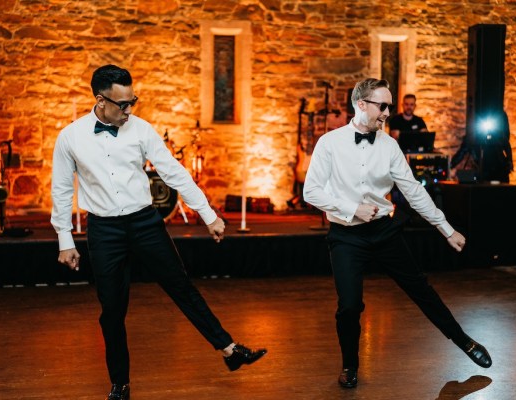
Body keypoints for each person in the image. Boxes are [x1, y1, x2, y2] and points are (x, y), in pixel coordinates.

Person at [51, 65, 266, 400]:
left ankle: (229, 350)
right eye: (123, 104)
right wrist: (65, 240)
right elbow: (62, 190)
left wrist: (208, 214)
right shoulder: (71, 137)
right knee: (112, 309)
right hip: (104, 229)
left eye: (132, 101)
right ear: (100, 100)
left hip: (145, 223)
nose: (129, 110)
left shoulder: (142, 130)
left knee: (181, 287)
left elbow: (176, 174)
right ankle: (120, 384)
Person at [303, 78, 492, 389]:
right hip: (346, 235)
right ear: (360, 104)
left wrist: (445, 229)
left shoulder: (390, 146)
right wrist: (352, 208)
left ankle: (465, 342)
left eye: (389, 106)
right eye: (382, 105)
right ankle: (350, 365)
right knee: (349, 306)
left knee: (422, 290)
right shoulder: (330, 143)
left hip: (383, 232)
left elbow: (414, 191)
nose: (387, 112)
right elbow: (311, 191)